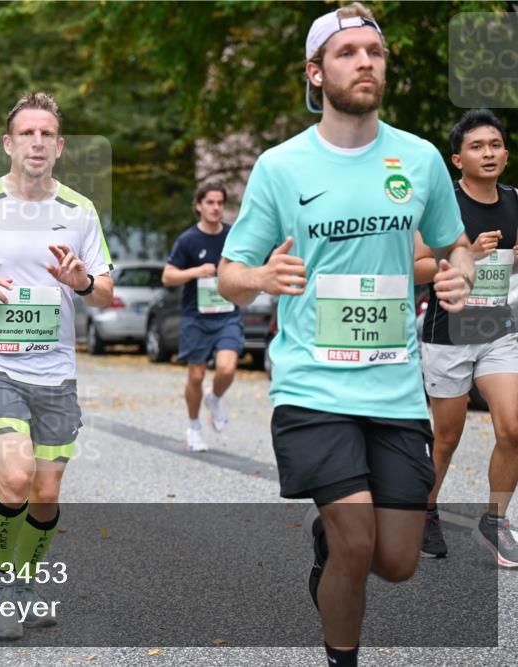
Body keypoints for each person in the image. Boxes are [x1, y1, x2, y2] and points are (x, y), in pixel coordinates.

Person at [216, 6, 474, 666]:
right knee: (360, 543)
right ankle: (342, 655)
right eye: (347, 52)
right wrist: (263, 275)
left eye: (375, 51)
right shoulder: (281, 166)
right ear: (315, 71)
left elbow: (456, 244)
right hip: (312, 381)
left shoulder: (416, 159)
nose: (366, 62)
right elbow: (228, 276)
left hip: (394, 388)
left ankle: (327, 547)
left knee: (398, 560)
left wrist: (458, 275)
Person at [0, 92, 114, 639]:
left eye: (46, 134)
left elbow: (103, 291)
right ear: (9, 144)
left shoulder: (79, 211)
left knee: (46, 494)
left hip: (55, 373)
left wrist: (80, 281)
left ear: (59, 147)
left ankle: (24, 579)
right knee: (14, 476)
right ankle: (1, 581)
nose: (36, 142)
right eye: (26, 133)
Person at [415, 108, 518, 566]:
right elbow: (414, 266)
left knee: (513, 428)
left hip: (499, 330)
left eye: (495, 145)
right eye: (477, 146)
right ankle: (425, 510)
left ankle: (496, 520)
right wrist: (465, 256)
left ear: (506, 154)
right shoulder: (445, 206)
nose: (488, 153)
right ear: (457, 160)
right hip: (449, 334)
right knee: (447, 438)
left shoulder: (516, 200)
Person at [162, 183, 241, 451]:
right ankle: (194, 426)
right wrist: (195, 272)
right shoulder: (188, 240)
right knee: (195, 376)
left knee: (227, 368)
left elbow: (246, 266)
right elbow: (168, 276)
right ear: (198, 206)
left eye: (220, 203)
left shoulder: (233, 236)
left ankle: (215, 398)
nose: (216, 208)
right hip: (196, 317)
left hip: (227, 314)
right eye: (210, 202)